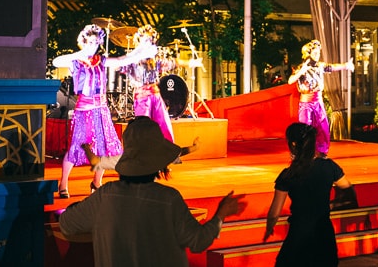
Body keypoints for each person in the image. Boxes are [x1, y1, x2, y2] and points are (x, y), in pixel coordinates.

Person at [59, 116, 246, 267]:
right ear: (158, 161)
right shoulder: (168, 199)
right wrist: (221, 214)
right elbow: (198, 241)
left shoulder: (104, 196)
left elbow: (67, 223)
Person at [52, 23, 158, 198]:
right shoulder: (75, 61)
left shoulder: (100, 61)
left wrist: (141, 49)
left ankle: (96, 182)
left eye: (96, 42)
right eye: (90, 41)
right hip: (84, 110)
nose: (93, 45)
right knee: (76, 147)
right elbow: (56, 62)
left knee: (105, 147)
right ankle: (63, 183)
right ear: (84, 41)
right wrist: (80, 53)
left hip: (101, 110)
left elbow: (123, 59)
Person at [263, 122, 354, 267]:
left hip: (300, 234)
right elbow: (348, 191)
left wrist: (269, 227)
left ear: (293, 144)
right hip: (323, 232)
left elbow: (275, 212)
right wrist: (330, 205)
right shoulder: (329, 166)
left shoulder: (289, 175)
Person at [287, 39, 354, 156]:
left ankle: (321, 152)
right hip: (306, 105)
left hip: (318, 103)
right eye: (315, 53)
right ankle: (303, 152)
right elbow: (290, 81)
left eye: (318, 53)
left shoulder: (320, 66)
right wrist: (301, 71)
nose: (318, 55)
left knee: (322, 128)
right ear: (308, 54)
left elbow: (331, 67)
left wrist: (346, 65)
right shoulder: (301, 68)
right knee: (305, 128)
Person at [120, 24, 176, 142]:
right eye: (145, 40)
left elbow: (171, 63)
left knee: (163, 122)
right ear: (139, 41)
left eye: (150, 40)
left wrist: (191, 62)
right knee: (144, 125)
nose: (148, 42)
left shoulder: (154, 60)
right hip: (141, 97)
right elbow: (119, 66)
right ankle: (142, 153)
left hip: (155, 94)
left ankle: (168, 151)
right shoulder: (132, 59)